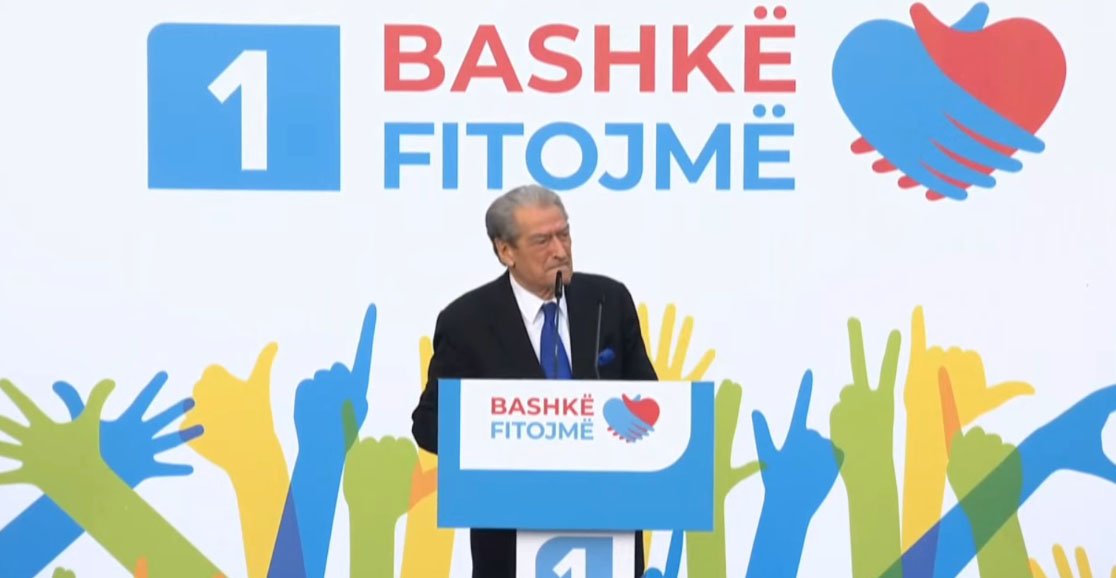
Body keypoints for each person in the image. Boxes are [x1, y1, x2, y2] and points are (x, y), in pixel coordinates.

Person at [410, 184, 659, 578]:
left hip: (606, 528)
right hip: (509, 540)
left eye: (564, 234)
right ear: (505, 251)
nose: (560, 250)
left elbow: (652, 403)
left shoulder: (607, 302)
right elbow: (428, 425)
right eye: (543, 240)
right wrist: (502, 434)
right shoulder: (466, 322)